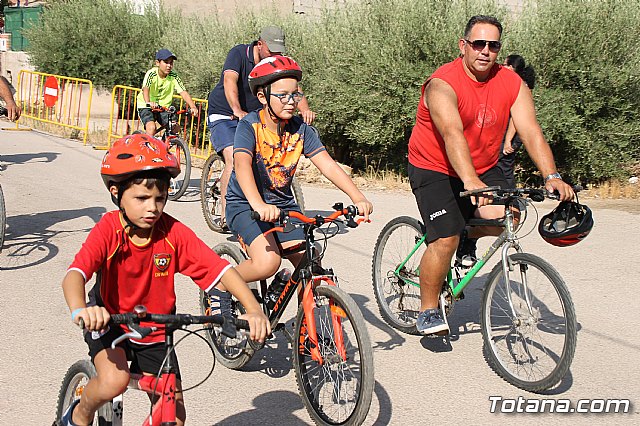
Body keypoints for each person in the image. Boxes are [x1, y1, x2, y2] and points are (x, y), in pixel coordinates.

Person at [59, 133, 270, 426]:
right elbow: (75, 274)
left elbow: (218, 270)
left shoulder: (172, 233)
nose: (153, 207)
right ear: (116, 194)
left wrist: (253, 308)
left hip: (157, 328)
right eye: (142, 198)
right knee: (113, 381)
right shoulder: (108, 230)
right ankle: (79, 414)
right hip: (109, 321)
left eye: (160, 198)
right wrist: (81, 309)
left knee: (175, 415)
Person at [407, 15, 574, 336]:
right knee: (445, 237)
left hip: (479, 167)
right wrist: (469, 181)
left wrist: (551, 174)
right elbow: (452, 133)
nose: (485, 51)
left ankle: (467, 235)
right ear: (464, 46)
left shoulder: (512, 83)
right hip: (434, 166)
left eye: (492, 45)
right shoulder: (443, 83)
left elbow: (530, 130)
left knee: (511, 212)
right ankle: (427, 309)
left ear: (499, 48)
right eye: (478, 44)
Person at [209, 55, 371, 312]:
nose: (291, 101)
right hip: (245, 204)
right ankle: (220, 287)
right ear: (263, 97)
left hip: (283, 205)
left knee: (310, 261)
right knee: (267, 263)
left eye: (295, 95)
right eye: (282, 95)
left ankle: (306, 331)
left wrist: (357, 197)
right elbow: (241, 166)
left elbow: (327, 165)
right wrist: (258, 204)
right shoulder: (250, 126)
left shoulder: (301, 130)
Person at [206, 26, 316, 231]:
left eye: (279, 51)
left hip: (253, 116)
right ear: (259, 44)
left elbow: (292, 87)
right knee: (233, 157)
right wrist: (237, 110)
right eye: (271, 50)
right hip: (225, 113)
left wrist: (305, 109)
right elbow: (230, 81)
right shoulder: (238, 53)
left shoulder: (276, 63)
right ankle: (225, 212)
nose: (275, 55)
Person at [136, 49, 199, 137]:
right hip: (146, 105)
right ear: (157, 63)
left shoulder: (174, 76)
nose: (169, 65)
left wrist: (193, 106)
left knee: (175, 127)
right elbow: (146, 88)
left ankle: (164, 145)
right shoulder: (151, 74)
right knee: (151, 128)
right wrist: (148, 102)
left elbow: (183, 92)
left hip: (163, 108)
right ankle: (146, 148)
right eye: (166, 62)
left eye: (171, 63)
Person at [497, 54, 537, 188]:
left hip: (513, 134)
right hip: (510, 133)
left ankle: (511, 203)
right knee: (503, 166)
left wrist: (508, 140)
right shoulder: (517, 84)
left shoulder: (520, 86)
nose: (503, 67)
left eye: (505, 65)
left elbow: (516, 118)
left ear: (512, 67)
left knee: (504, 167)